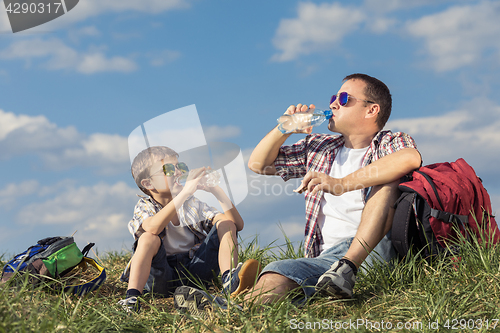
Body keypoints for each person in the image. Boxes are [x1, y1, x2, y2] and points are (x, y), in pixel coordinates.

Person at [244, 73, 422, 303]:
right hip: (325, 259)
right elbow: (258, 164)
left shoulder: (389, 141)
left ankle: (348, 269)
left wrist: (341, 184)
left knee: (388, 181)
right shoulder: (319, 147)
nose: (333, 104)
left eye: (344, 98)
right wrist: (284, 128)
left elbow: (409, 159)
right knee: (277, 271)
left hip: (373, 252)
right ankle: (231, 309)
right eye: (333, 98)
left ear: (371, 110)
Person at [118, 146, 261, 313]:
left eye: (180, 167)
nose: (178, 172)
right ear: (149, 183)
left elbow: (236, 224)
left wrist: (216, 190)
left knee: (225, 224)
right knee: (148, 238)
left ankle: (230, 280)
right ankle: (131, 298)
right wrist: (185, 192)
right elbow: (153, 227)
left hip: (194, 272)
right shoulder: (145, 206)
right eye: (169, 169)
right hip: (161, 276)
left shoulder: (192, 204)